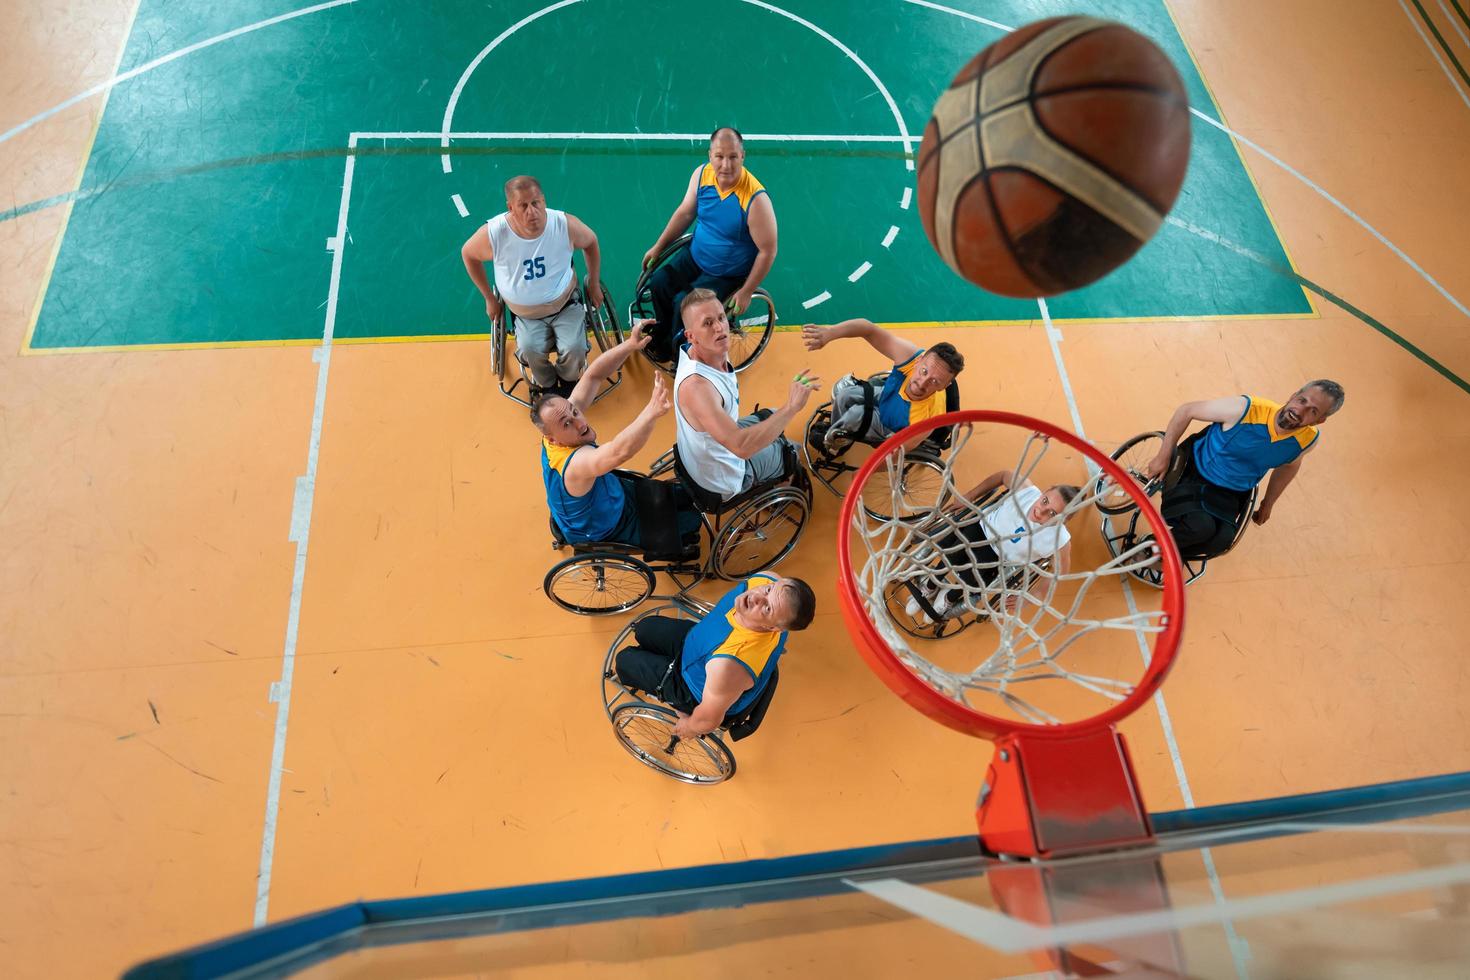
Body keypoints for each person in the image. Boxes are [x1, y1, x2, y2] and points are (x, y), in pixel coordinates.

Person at [534, 321, 698, 550]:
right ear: (552, 439)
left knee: (682, 496)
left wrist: (630, 345)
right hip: (606, 524)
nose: (579, 421)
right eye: (568, 423)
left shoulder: (560, 422)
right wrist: (651, 413)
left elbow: (593, 376)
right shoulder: (574, 465)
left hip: (608, 495)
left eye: (574, 411)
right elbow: (619, 452)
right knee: (692, 524)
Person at [1139, 381, 1345, 557]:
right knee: (1200, 528)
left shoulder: (1307, 440)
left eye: (1313, 411)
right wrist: (1163, 455)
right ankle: (1147, 548)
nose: (1300, 411)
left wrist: (1268, 503)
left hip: (1234, 491)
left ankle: (1169, 552)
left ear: (1320, 421)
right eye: (1302, 401)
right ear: (1294, 396)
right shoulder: (1246, 409)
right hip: (1195, 471)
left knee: (1221, 542)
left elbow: (1291, 465)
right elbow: (1187, 410)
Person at [615, 575, 817, 738]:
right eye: (769, 590)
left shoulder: (729, 664)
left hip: (694, 688)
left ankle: (668, 697)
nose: (755, 597)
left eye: (767, 608)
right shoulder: (766, 579)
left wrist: (689, 726)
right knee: (644, 628)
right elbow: (772, 593)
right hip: (700, 644)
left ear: (773, 628)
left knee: (625, 659)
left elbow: (708, 720)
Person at [642, 127, 778, 361]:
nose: (726, 165)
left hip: (726, 274)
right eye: (720, 157)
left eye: (733, 157)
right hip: (695, 256)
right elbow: (685, 213)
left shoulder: (755, 200)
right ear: (710, 155)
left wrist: (746, 291)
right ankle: (665, 333)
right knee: (659, 283)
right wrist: (659, 246)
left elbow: (768, 251)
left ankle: (680, 353)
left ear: (743, 156)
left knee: (682, 305)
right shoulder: (702, 175)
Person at [462, 175, 603, 397]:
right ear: (511, 207)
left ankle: (568, 382)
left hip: (565, 304)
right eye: (523, 206)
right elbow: (468, 254)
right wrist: (489, 298)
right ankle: (546, 387)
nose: (532, 211)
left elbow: (591, 242)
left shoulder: (563, 224)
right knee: (530, 350)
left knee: (575, 349)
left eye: (536, 203)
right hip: (525, 314)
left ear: (544, 201)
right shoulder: (496, 233)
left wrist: (593, 283)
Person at [674, 289, 819, 502]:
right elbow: (741, 447)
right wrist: (792, 407)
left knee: (772, 415)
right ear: (691, 336)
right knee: (791, 451)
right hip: (721, 477)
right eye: (707, 323)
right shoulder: (697, 387)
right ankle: (781, 485)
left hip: (707, 451)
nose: (719, 328)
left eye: (721, 318)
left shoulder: (708, 351)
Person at [905, 469, 1079, 623]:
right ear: (1045, 491)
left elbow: (1061, 570)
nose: (1041, 511)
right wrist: (970, 496)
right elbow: (1003, 475)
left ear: (1063, 520)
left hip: (999, 558)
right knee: (951, 554)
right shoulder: (1027, 491)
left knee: (972, 578)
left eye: (1052, 513)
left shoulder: (1060, 540)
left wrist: (1034, 596)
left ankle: (949, 598)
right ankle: (930, 586)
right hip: (981, 530)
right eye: (1045, 501)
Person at [800, 319, 965, 451]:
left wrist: (866, 475)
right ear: (919, 361)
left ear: (945, 385)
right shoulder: (910, 356)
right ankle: (841, 437)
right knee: (844, 395)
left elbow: (897, 453)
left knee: (855, 414)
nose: (923, 383)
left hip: (893, 427)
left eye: (935, 381)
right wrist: (831, 332)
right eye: (924, 372)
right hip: (889, 396)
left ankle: (833, 444)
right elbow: (869, 329)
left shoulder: (928, 418)